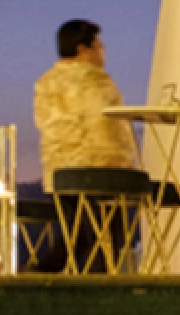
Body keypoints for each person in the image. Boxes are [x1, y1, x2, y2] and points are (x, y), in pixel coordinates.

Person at [34, 20, 142, 271]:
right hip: (99, 171)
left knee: (77, 236)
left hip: (60, 175)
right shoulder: (96, 80)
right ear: (83, 49)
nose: (103, 51)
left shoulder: (45, 83)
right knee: (107, 238)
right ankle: (99, 290)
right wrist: (126, 167)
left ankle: (38, 276)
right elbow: (110, 127)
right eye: (99, 45)